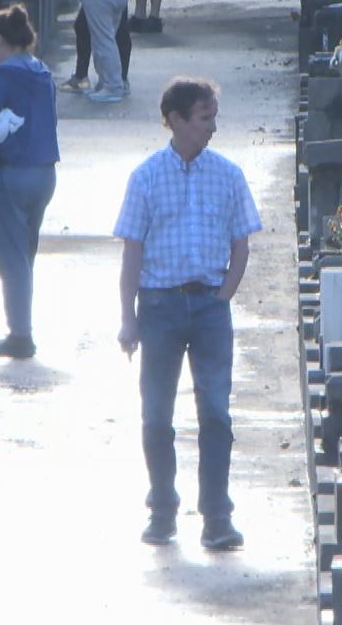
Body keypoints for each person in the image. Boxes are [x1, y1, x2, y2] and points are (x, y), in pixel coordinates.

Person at [113, 78, 263, 550]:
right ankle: (162, 510)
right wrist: (128, 317)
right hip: (158, 305)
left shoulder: (229, 175)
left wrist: (223, 297)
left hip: (209, 307)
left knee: (216, 413)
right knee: (156, 414)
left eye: (214, 117)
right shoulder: (145, 177)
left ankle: (217, 516)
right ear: (176, 120)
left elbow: (242, 244)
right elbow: (131, 254)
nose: (212, 128)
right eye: (204, 119)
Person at [0, 5, 59, 359]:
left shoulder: (0, 76)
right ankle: (21, 325)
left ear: (2, 41)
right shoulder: (43, 73)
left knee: (8, 256)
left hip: (10, 173)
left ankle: (20, 334)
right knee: (25, 254)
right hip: (44, 173)